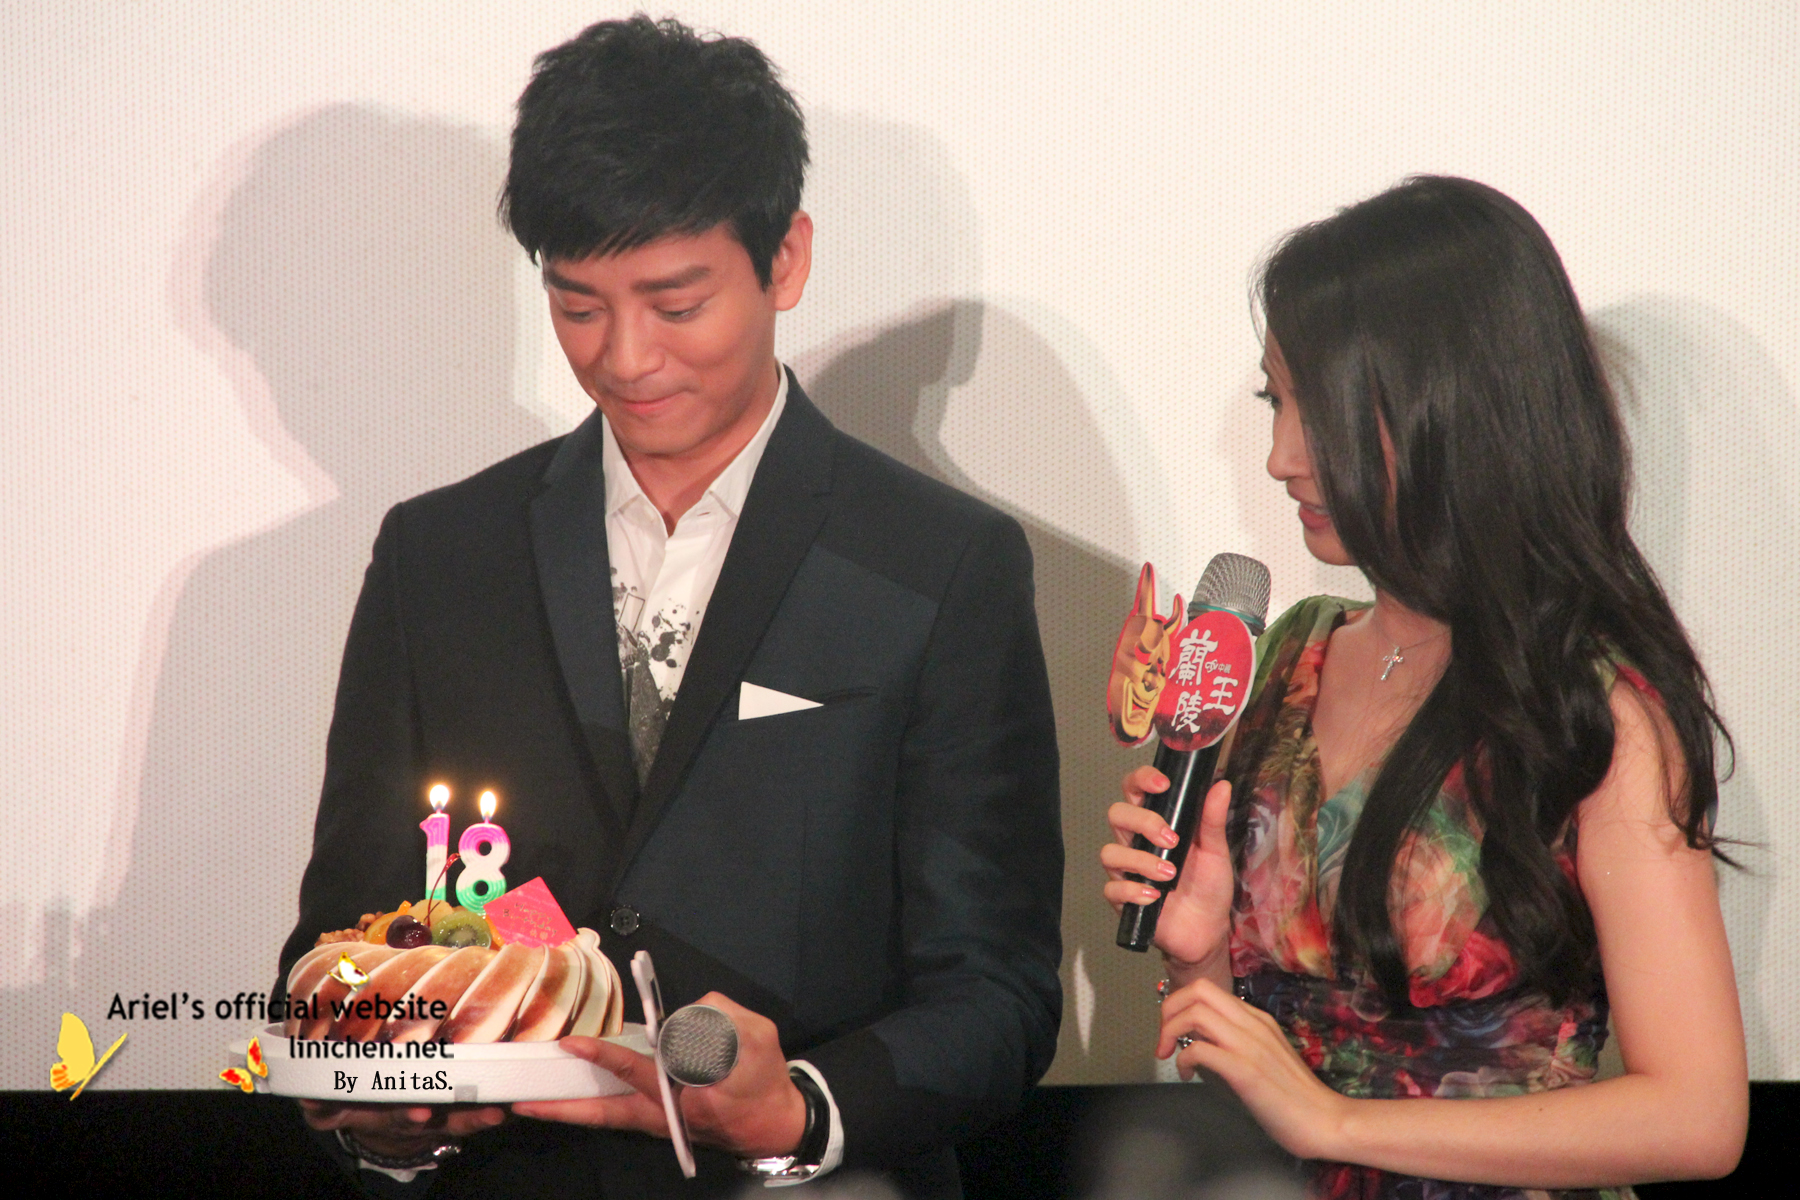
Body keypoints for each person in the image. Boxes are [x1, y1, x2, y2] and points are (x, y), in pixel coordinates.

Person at [279, 16, 1062, 1197]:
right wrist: (386, 1116)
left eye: (676, 303)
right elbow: (345, 943)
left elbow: (997, 992)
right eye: (578, 306)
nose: (626, 357)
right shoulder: (440, 556)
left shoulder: (942, 564)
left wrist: (801, 1108)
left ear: (785, 260)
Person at [1101, 176, 1747, 1198]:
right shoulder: (1289, 659)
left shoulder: (1591, 711)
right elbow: (1267, 1082)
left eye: (1322, 410)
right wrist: (1199, 962)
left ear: (1454, 407)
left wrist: (1336, 1120)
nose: (1280, 457)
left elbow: (1697, 1118)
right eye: (1277, 402)